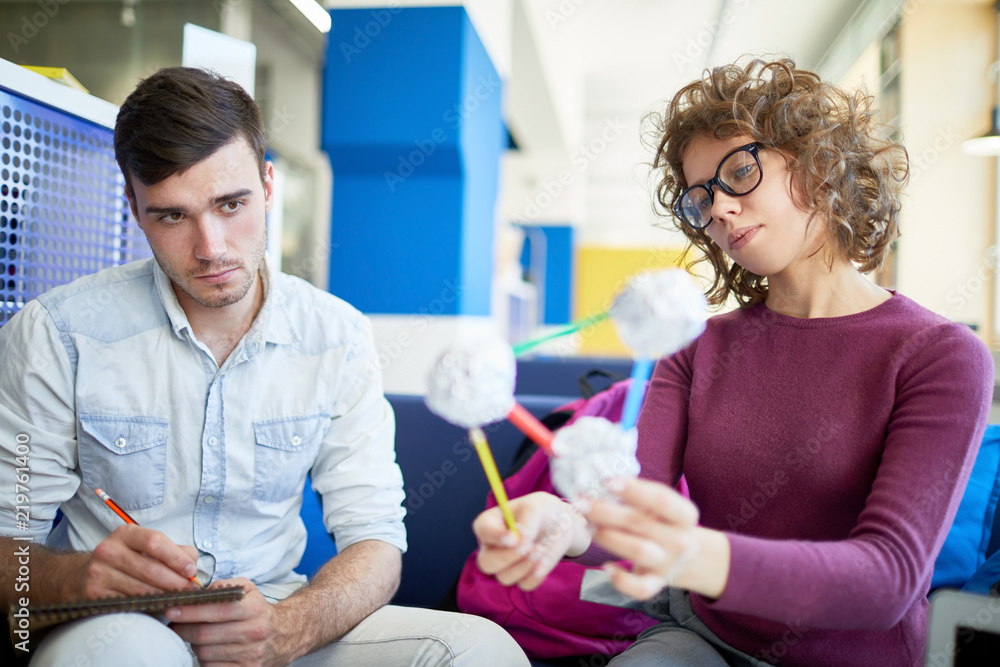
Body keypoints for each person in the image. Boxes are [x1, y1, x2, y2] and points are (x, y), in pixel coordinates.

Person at [0, 67, 529, 667]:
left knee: (479, 650)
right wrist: (79, 579)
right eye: (172, 216)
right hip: (117, 623)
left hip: (274, 613)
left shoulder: (337, 337)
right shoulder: (56, 334)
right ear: (134, 208)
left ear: (269, 184)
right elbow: (7, 550)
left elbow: (377, 540)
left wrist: (290, 628)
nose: (211, 248)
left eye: (232, 204)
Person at [472, 57, 994, 666]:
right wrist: (562, 524)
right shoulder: (695, 348)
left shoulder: (940, 355)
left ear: (820, 160)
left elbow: (887, 580)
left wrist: (690, 554)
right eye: (701, 198)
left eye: (740, 171)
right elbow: (631, 506)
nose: (719, 209)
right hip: (706, 637)